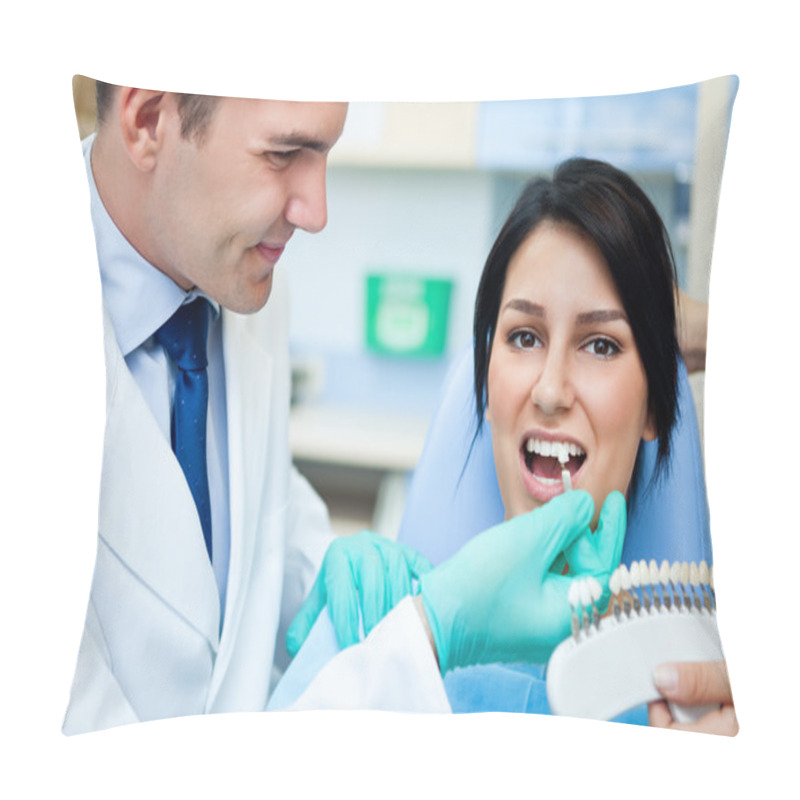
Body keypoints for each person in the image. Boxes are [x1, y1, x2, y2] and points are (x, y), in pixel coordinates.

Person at [65, 84, 621, 733]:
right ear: (149, 119)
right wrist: (431, 633)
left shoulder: (238, 283)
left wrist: (325, 565)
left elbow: (247, 510)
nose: (317, 209)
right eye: (283, 154)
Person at [286, 158, 736, 734]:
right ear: (486, 384)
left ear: (654, 406)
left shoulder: (702, 698)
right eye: (524, 336)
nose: (549, 390)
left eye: (600, 345)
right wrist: (425, 629)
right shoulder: (379, 623)